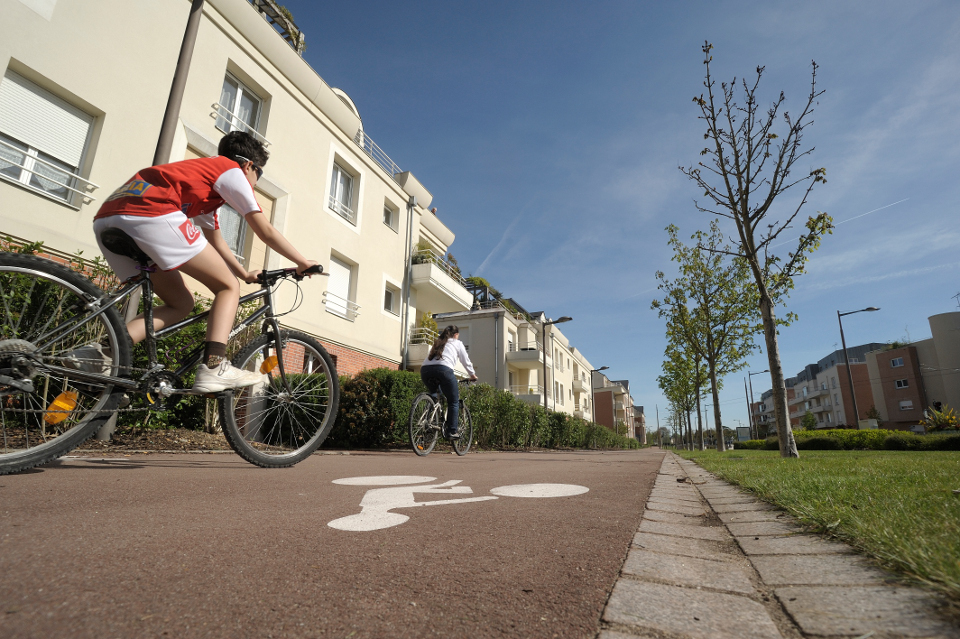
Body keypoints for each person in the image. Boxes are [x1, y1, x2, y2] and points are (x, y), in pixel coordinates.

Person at [91, 131, 318, 393]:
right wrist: (302, 262)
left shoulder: (207, 185)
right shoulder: (230, 170)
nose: (256, 182)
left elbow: (217, 242)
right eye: (259, 174)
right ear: (248, 165)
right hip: (150, 212)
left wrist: (243, 273)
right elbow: (263, 230)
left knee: (181, 303)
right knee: (227, 288)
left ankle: (101, 355)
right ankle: (214, 366)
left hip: (109, 218)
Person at [420, 325, 477, 439]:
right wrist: (472, 375)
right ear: (456, 335)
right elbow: (465, 361)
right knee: (453, 401)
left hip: (425, 370)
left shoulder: (438, 342)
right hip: (444, 370)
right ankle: (452, 431)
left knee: (436, 395)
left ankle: (429, 417)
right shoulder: (457, 343)